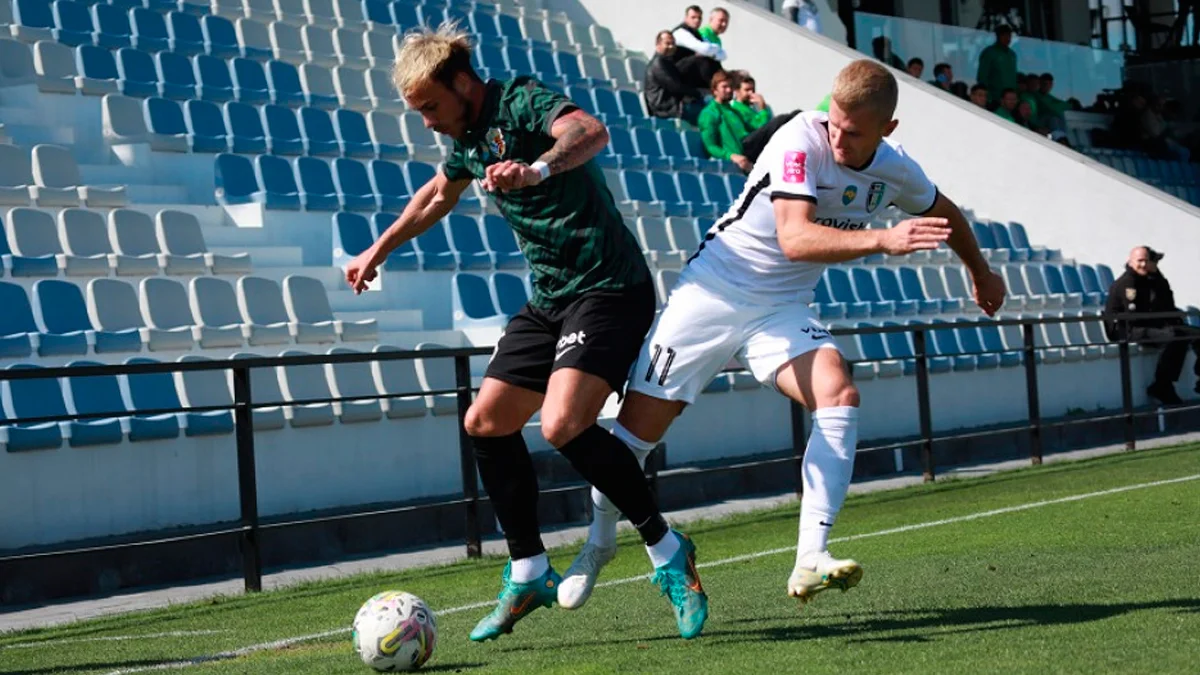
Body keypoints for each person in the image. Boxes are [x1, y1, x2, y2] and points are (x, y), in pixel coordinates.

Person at [557, 59, 1006, 610]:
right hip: (712, 293)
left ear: (887, 129)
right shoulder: (798, 139)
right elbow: (795, 240)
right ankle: (599, 544)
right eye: (834, 123)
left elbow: (945, 211)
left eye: (853, 132)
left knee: (838, 392)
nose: (837, 138)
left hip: (781, 309)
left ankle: (811, 556)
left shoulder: (895, 168)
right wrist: (883, 239)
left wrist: (980, 272)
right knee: (630, 443)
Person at [344, 23, 708, 641]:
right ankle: (529, 570)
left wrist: (537, 169)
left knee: (562, 424)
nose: (427, 122)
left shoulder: (519, 100)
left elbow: (589, 131)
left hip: (608, 287)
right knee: (485, 421)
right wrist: (377, 250)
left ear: (462, 84)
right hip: (550, 299)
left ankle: (669, 551)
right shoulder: (466, 139)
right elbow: (436, 196)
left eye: (430, 106)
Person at [1104, 246, 1200, 405]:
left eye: (1147, 261)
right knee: (1174, 336)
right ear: (1131, 261)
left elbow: (1165, 304)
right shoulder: (1129, 282)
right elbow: (1134, 315)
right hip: (1125, 328)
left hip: (1146, 324)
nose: (1145, 265)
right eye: (1140, 261)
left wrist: (1157, 276)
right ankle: (1162, 385)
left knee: (1195, 334)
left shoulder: (1149, 279)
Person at [698, 70, 762, 173]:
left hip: (749, 154)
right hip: (735, 159)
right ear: (715, 90)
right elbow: (710, 146)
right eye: (724, 87)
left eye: (731, 87)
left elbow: (756, 129)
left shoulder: (734, 111)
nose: (729, 90)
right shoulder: (709, 113)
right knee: (779, 121)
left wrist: (763, 110)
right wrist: (732, 156)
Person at [644, 30, 704, 124]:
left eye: (673, 43)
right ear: (658, 45)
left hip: (676, 106)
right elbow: (675, 87)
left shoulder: (667, 62)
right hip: (669, 110)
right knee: (711, 110)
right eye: (667, 43)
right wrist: (698, 93)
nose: (671, 46)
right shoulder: (658, 63)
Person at [671, 5, 726, 91]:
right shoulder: (681, 32)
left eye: (699, 18)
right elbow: (704, 49)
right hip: (674, 71)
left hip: (688, 71)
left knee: (713, 62)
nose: (697, 20)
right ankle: (715, 88)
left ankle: (723, 85)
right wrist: (715, 51)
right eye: (693, 17)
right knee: (702, 59)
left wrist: (713, 53)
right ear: (686, 18)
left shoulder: (696, 34)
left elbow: (723, 55)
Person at [977, 25, 1017, 106]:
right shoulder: (989, 53)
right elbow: (982, 77)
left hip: (1011, 100)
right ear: (998, 36)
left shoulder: (1012, 54)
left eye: (1009, 36)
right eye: (1004, 35)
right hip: (995, 100)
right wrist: (988, 98)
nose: (1007, 38)